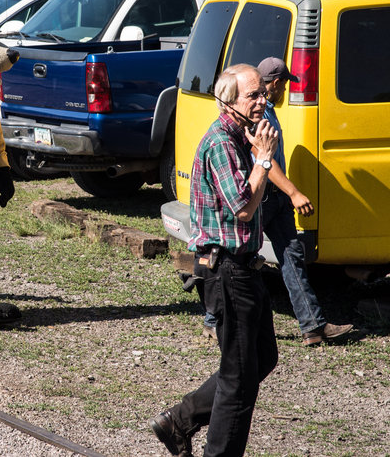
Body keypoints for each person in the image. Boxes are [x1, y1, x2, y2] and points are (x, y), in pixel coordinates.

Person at [150, 63, 279, 457]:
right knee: (239, 383)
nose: (263, 100)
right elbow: (242, 206)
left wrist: (259, 153)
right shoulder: (222, 142)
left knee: (262, 358)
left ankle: (179, 420)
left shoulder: (242, 136)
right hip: (226, 271)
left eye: (262, 93)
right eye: (253, 95)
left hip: (245, 267)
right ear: (229, 100)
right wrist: (264, 160)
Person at [256, 57, 353, 346]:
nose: (285, 90)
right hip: (260, 199)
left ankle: (312, 327)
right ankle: (216, 320)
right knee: (236, 260)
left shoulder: (269, 111)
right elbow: (265, 162)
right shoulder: (260, 114)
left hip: (275, 199)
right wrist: (294, 193)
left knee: (291, 258)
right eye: (284, 84)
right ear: (275, 84)